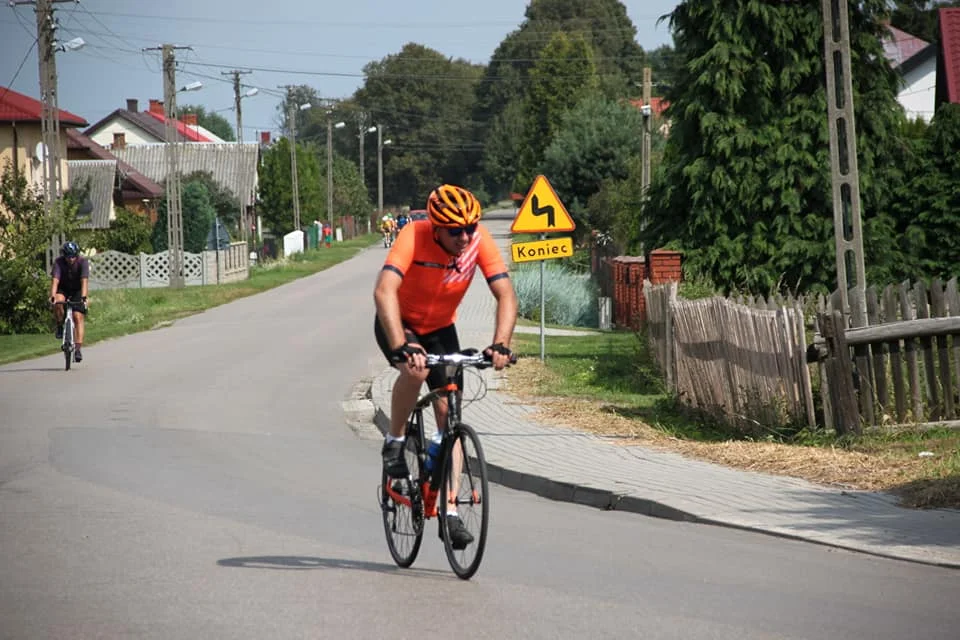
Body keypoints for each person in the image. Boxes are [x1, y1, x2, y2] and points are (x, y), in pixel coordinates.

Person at [373, 184, 517, 549]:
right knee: (417, 369)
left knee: (449, 414)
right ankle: (395, 440)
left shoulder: (477, 242)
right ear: (436, 226)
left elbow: (505, 294)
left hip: (440, 328)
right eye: (456, 230)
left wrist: (501, 343)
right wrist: (400, 344)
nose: (465, 236)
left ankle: (450, 512)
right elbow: (384, 291)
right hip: (400, 323)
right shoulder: (413, 234)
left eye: (471, 228)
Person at [50, 241, 89, 362]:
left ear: (76, 255)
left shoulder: (83, 262)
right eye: (68, 256)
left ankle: (77, 349)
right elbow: (55, 281)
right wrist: (52, 296)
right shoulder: (58, 262)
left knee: (78, 316)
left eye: (73, 256)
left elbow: (84, 282)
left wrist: (83, 298)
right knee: (58, 301)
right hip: (63, 289)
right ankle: (59, 325)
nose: (71, 259)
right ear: (64, 255)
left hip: (77, 290)